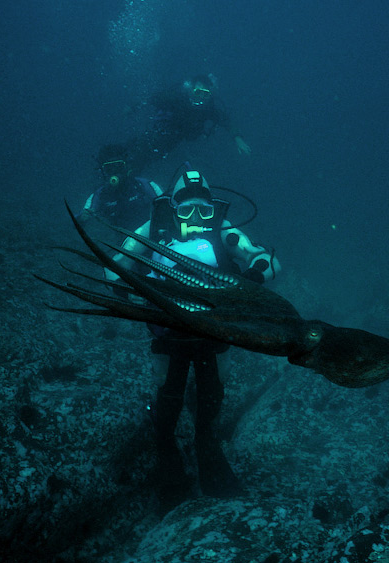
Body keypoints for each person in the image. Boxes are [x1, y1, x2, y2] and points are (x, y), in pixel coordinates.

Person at [105, 167, 280, 509]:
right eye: (186, 210)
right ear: (172, 208)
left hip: (213, 334)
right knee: (168, 395)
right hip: (168, 333)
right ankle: (167, 454)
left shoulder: (225, 232)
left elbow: (266, 258)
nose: (196, 218)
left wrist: (253, 278)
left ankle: (207, 447)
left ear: (214, 209)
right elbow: (115, 264)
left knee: (212, 392)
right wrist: (126, 293)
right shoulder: (152, 230)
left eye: (204, 210)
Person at [125, 74, 251, 175]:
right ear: (191, 91)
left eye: (205, 94)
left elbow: (226, 120)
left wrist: (237, 138)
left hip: (184, 139)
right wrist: (134, 107)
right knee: (148, 151)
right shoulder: (177, 99)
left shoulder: (208, 108)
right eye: (198, 92)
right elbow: (153, 99)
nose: (201, 98)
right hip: (167, 133)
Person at [79, 144, 164, 232]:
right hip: (121, 241)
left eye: (119, 167)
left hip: (152, 234)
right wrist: (83, 218)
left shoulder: (145, 185)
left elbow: (166, 203)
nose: (114, 172)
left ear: (126, 167)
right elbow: (80, 219)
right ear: (103, 172)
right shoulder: (99, 195)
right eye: (109, 169)